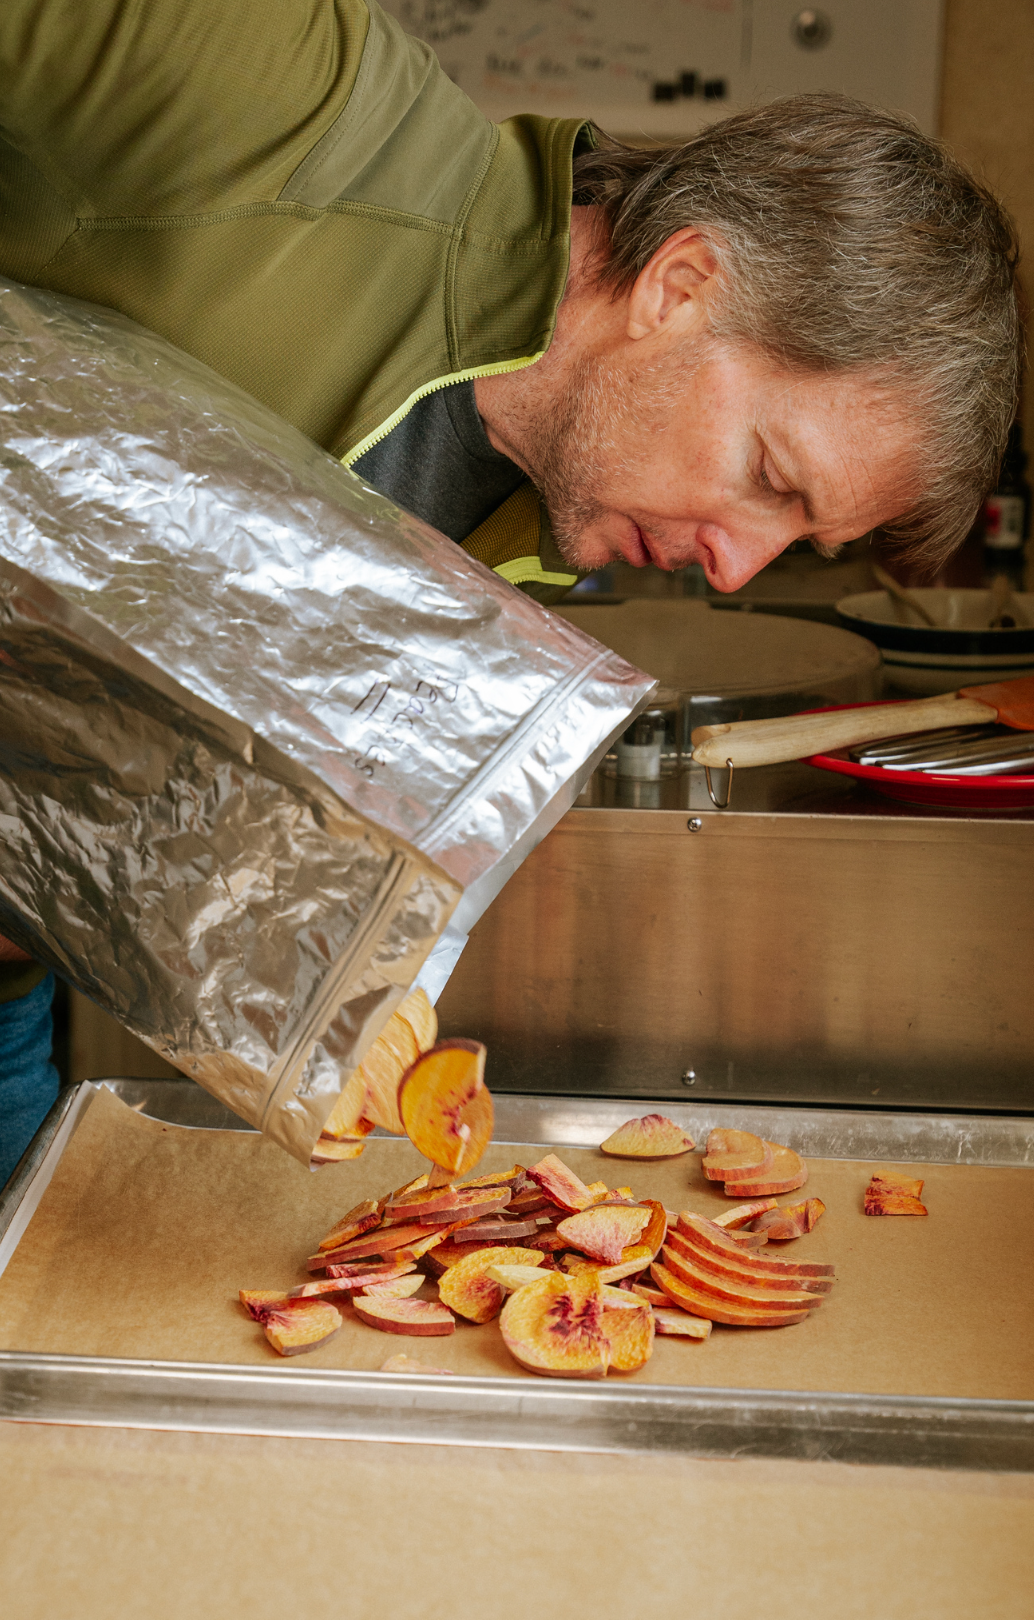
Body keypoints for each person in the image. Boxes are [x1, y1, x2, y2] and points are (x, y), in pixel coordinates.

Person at [0, 0, 1022, 1176]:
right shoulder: (280, 94)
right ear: (678, 284)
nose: (738, 566)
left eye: (798, 540)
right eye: (767, 477)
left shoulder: (529, 546)